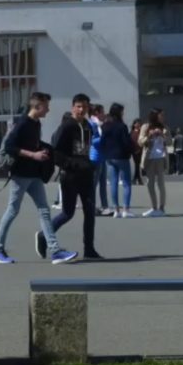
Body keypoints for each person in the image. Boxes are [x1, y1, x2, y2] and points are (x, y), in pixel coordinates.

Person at [0, 92, 78, 265]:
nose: (48, 110)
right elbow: (9, 146)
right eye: (46, 106)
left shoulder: (36, 123)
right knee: (12, 210)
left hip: (34, 174)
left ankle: (55, 251)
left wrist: (42, 150)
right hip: (20, 174)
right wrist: (33, 154)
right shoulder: (22, 123)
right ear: (37, 106)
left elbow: (31, 144)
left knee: (44, 210)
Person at [47, 93, 103, 260]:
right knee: (68, 213)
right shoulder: (67, 126)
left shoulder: (88, 126)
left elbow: (88, 148)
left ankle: (89, 249)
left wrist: (91, 164)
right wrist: (70, 165)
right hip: (70, 175)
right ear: (73, 107)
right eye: (78, 106)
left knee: (90, 211)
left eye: (84, 107)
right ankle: (44, 235)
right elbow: (55, 152)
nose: (81, 110)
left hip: (87, 175)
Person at [101, 103, 136, 218]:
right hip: (122, 156)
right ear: (119, 112)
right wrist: (132, 150)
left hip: (109, 156)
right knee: (126, 183)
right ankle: (126, 209)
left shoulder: (105, 125)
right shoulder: (122, 126)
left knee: (113, 183)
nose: (123, 113)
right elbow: (126, 142)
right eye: (122, 111)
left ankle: (116, 209)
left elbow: (102, 141)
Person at [138, 108, 171, 216]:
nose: (163, 117)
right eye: (161, 115)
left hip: (161, 158)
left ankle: (161, 208)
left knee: (161, 184)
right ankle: (154, 207)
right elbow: (140, 142)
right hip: (149, 158)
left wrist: (162, 135)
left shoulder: (165, 127)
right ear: (155, 116)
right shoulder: (145, 127)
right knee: (150, 184)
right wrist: (149, 136)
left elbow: (170, 142)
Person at [88, 104, 113, 216]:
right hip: (95, 157)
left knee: (103, 184)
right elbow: (93, 141)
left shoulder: (100, 124)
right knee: (93, 184)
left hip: (102, 157)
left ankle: (105, 206)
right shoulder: (92, 124)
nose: (104, 114)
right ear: (96, 113)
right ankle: (90, 207)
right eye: (102, 112)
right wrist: (105, 137)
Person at [50, 111, 72, 209]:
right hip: (64, 159)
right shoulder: (63, 130)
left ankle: (60, 200)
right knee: (64, 180)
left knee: (64, 179)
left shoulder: (59, 130)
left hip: (60, 159)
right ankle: (61, 201)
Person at [130, 118, 144, 185]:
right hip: (134, 151)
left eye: (139, 123)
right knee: (137, 164)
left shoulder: (141, 132)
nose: (138, 124)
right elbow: (131, 141)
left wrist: (140, 149)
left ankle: (136, 178)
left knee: (138, 164)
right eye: (136, 123)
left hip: (140, 150)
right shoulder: (131, 132)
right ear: (134, 124)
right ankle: (138, 178)